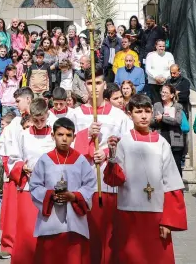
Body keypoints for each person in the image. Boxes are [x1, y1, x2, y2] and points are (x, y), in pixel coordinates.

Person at [104, 94, 187, 264]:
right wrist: (112, 156)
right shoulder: (123, 142)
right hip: (128, 213)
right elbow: (114, 180)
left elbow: (171, 183)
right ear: (130, 114)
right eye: (138, 111)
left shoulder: (162, 143)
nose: (143, 116)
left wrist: (168, 221)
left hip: (156, 214)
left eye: (147, 112)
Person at [73, 66, 132, 264]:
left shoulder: (119, 116)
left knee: (109, 237)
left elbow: (130, 143)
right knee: (85, 237)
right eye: (90, 83)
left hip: (109, 184)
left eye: (98, 83)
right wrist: (86, 135)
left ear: (104, 85)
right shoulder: (75, 115)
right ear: (84, 86)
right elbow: (65, 145)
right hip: (83, 183)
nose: (94, 88)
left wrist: (107, 152)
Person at [30, 117, 96, 264]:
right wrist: (50, 195)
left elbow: (90, 185)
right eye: (60, 135)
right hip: (51, 220)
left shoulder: (81, 160)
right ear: (53, 136)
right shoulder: (45, 160)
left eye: (68, 135)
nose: (64, 139)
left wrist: (74, 196)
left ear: (74, 137)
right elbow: (35, 186)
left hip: (74, 221)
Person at [8, 98, 57, 264]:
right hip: (28, 188)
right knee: (27, 232)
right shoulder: (23, 135)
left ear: (47, 114)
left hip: (50, 189)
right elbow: (13, 158)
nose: (39, 123)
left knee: (48, 233)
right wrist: (22, 168)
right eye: (35, 120)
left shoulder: (54, 135)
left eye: (42, 119)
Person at [0, 111, 19, 259]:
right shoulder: (14, 125)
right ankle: (9, 244)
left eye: (18, 101)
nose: (16, 104)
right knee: (11, 210)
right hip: (15, 173)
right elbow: (3, 148)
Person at [152, 84, 185, 177]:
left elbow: (177, 121)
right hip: (160, 137)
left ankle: (178, 189)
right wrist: (156, 120)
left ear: (172, 95)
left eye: (166, 92)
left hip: (175, 139)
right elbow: (151, 122)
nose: (163, 94)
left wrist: (162, 118)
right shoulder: (157, 105)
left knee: (176, 165)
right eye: (162, 92)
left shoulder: (178, 106)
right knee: (160, 165)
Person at [145, 39, 174, 104]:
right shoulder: (150, 55)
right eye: (160, 46)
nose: (162, 48)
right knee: (156, 103)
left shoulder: (169, 55)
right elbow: (148, 69)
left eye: (163, 46)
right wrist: (156, 77)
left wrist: (164, 78)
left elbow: (171, 68)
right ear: (156, 46)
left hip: (165, 83)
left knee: (166, 103)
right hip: (153, 83)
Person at [0, 44, 13, 123]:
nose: (3, 53)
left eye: (4, 51)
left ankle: (6, 121)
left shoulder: (9, 60)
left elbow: (11, 71)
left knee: (6, 104)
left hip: (7, 84)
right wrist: (5, 70)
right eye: (1, 51)